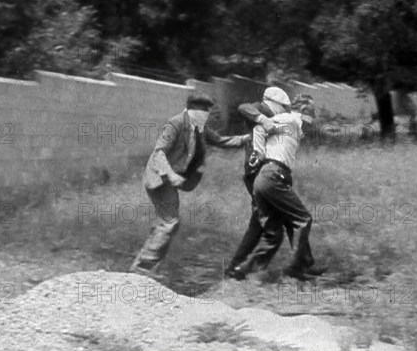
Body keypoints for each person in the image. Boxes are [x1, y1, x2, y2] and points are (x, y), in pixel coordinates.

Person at [130, 93, 249, 275]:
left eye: (207, 112)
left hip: (169, 180)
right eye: (204, 112)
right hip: (160, 178)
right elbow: (159, 153)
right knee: (169, 223)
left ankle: (142, 269)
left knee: (167, 223)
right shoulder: (176, 123)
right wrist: (170, 174)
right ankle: (141, 271)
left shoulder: (199, 128)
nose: (206, 116)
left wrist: (247, 138)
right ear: (193, 110)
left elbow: (220, 141)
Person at [226, 92, 322, 280]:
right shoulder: (289, 120)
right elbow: (260, 129)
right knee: (303, 219)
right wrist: (259, 153)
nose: (313, 116)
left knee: (274, 235)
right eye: (311, 110)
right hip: (273, 175)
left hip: (267, 179)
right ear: (302, 109)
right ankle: (295, 268)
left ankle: (242, 271)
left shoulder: (295, 125)